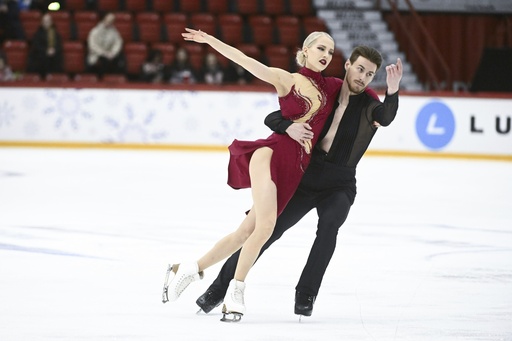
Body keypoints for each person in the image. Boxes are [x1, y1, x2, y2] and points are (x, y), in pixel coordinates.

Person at [195, 46, 403, 318]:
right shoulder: (326, 91)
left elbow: (385, 117)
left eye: (369, 74)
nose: (363, 77)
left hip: (339, 184)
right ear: (348, 65)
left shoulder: (370, 101)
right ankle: (217, 290)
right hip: (306, 177)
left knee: (329, 228)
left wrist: (394, 90)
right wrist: (287, 127)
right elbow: (274, 116)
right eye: (360, 69)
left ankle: (306, 294)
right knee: (266, 231)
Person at [162, 29, 342, 322]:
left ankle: (188, 269)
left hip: (294, 170)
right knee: (266, 226)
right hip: (270, 155)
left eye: (331, 52)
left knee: (245, 233)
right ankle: (236, 293)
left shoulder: (333, 87)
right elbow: (245, 61)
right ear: (306, 50)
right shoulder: (288, 79)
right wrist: (211, 41)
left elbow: (358, 87)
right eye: (320, 48)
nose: (326, 55)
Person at [86, 12, 125, 77]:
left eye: (112, 20)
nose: (110, 22)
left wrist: (113, 53)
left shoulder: (114, 32)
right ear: (104, 19)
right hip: (97, 55)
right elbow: (92, 46)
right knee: (103, 60)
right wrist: (104, 53)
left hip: (110, 55)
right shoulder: (95, 31)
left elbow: (118, 43)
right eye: (109, 20)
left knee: (121, 60)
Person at [27, 12, 63, 78]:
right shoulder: (38, 34)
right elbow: (36, 47)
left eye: (48, 21)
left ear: (51, 22)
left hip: (54, 58)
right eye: (45, 21)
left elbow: (59, 45)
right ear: (41, 22)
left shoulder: (56, 33)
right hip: (41, 58)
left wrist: (53, 50)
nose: (46, 23)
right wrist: (46, 51)